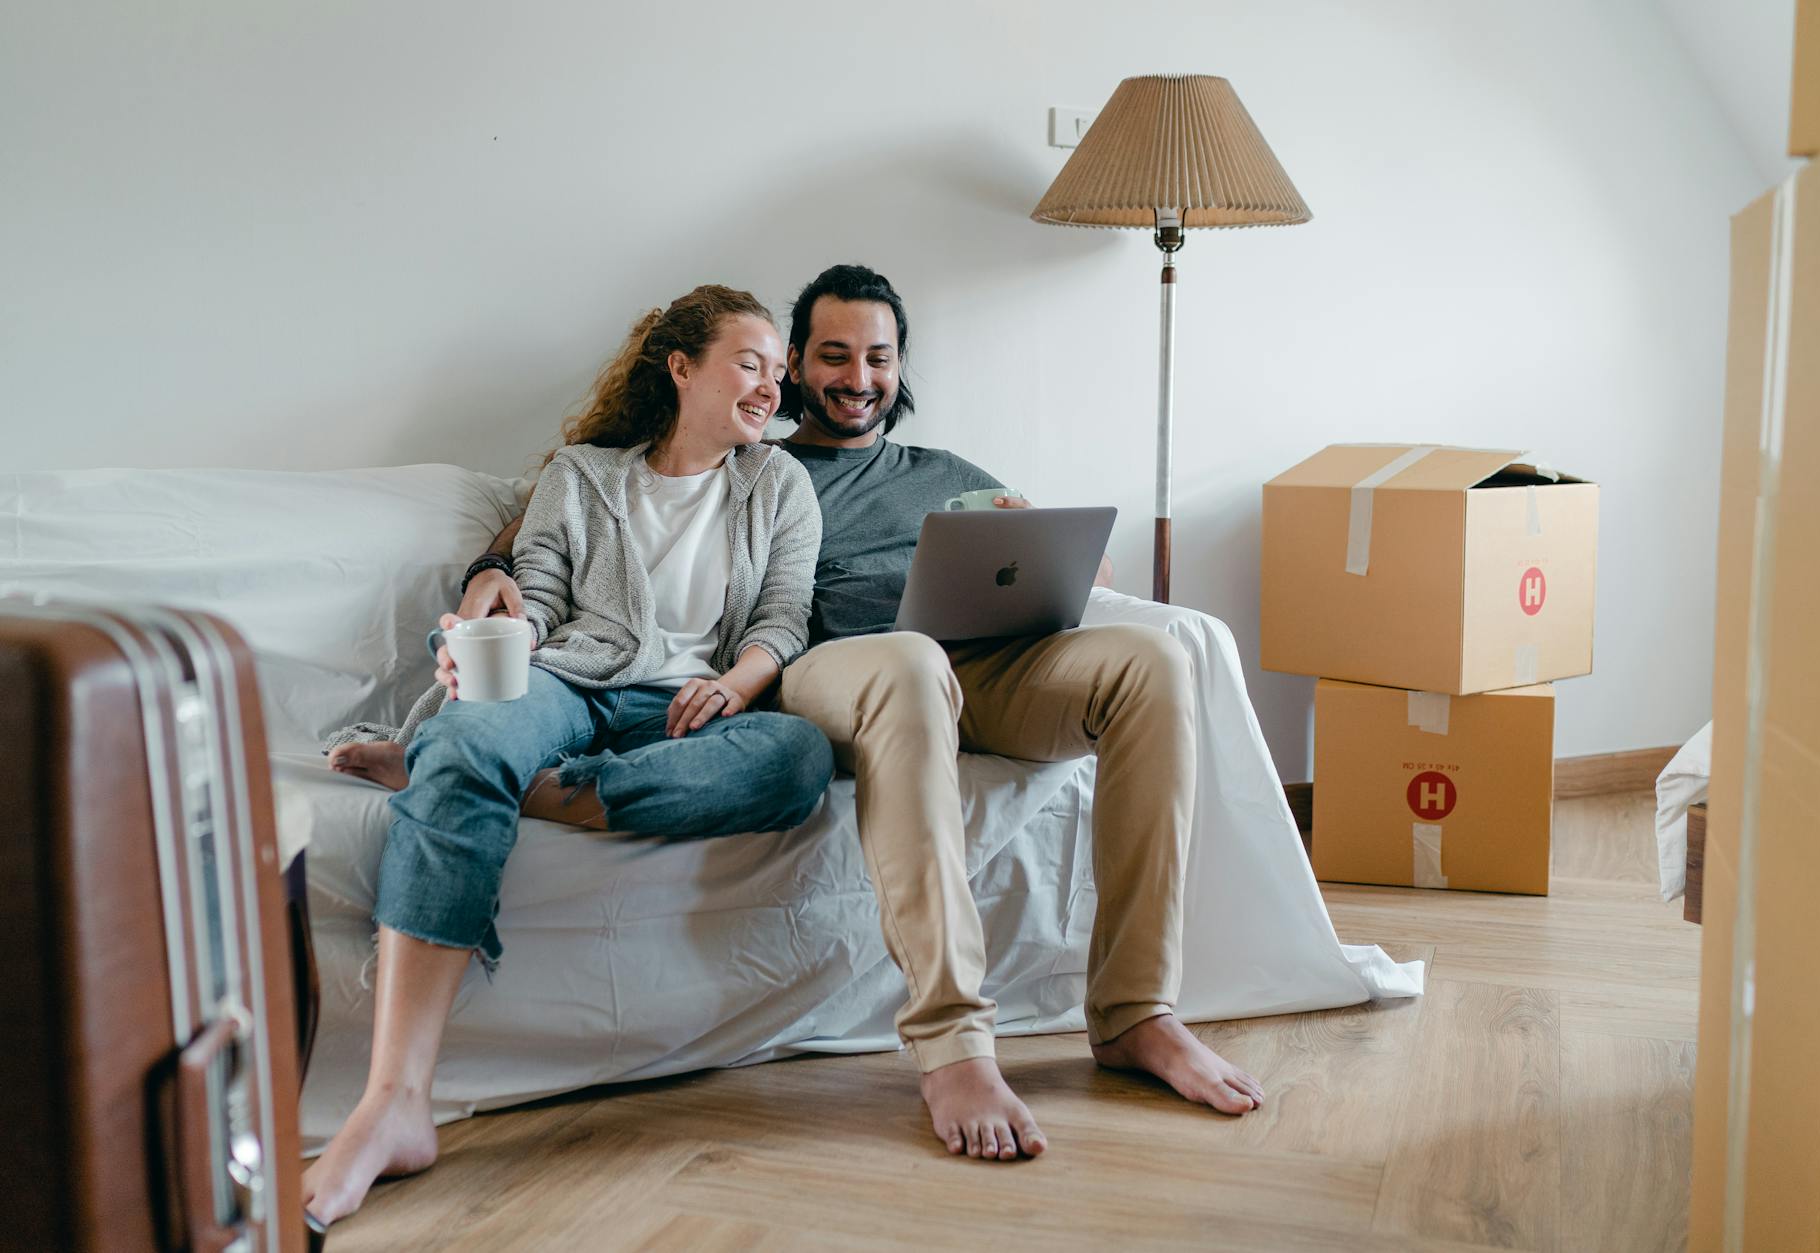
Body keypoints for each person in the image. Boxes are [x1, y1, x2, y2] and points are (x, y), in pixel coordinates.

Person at [449, 264, 1262, 1164]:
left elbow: (1085, 570)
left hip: (983, 661)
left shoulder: (943, 469)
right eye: (833, 356)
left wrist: (1046, 547)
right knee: (911, 660)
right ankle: (954, 1040)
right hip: (837, 668)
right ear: (792, 365)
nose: (858, 376)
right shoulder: (756, 461)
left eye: (878, 357)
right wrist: (485, 569)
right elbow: (581, 507)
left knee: (1155, 657)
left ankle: (1137, 1010)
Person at [305, 285, 835, 1224]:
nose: (771, 385)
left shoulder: (780, 482)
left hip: (690, 703)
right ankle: (394, 1104)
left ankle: (507, 783)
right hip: (571, 678)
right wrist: (499, 611)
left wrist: (742, 683)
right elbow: (539, 592)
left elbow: (783, 615)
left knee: (795, 757)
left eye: (777, 371)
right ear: (683, 367)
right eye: (750, 362)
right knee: (475, 730)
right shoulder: (586, 474)